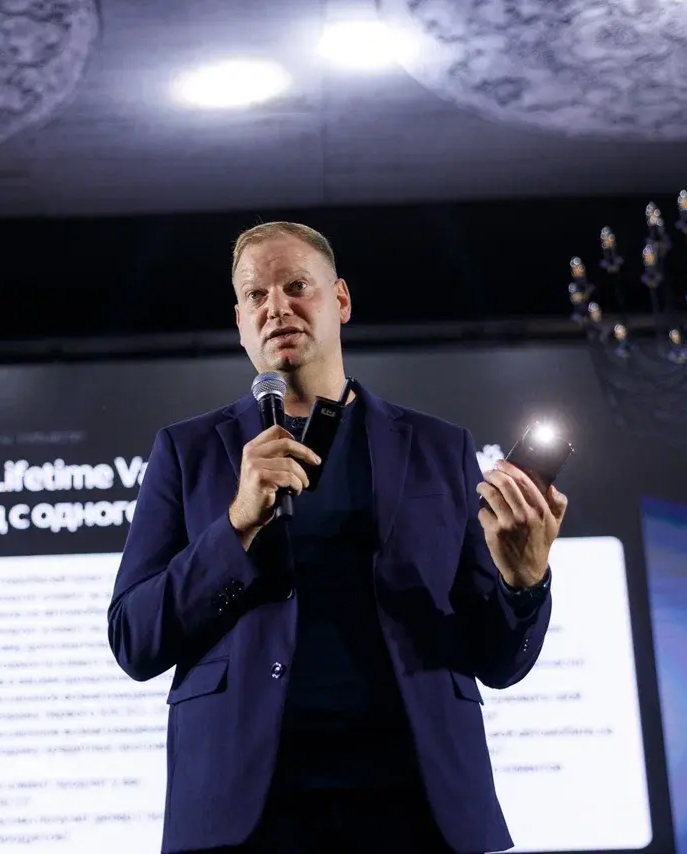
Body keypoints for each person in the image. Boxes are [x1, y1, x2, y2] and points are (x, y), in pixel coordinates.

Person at [108, 222, 568, 854]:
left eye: (297, 286)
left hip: (417, 803)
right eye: (255, 295)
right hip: (244, 808)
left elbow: (499, 661)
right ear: (240, 322)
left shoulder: (440, 447)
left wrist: (524, 583)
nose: (276, 308)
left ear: (341, 300)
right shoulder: (187, 452)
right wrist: (237, 523)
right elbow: (133, 640)